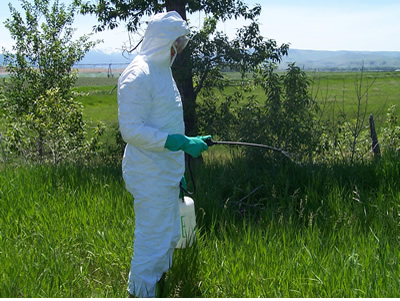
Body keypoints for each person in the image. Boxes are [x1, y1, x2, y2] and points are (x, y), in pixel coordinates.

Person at [117, 11, 210, 298]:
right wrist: (179, 142)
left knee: (169, 233)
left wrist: (179, 162)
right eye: (176, 43)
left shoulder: (161, 69)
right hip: (148, 174)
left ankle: (159, 280)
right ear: (161, 40)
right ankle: (141, 291)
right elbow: (131, 130)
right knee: (152, 238)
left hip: (166, 172)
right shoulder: (138, 74)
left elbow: (165, 118)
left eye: (181, 44)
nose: (178, 50)